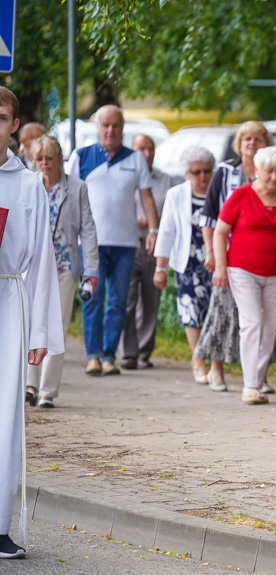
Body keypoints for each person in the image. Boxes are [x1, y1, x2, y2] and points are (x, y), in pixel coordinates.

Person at [0, 87, 63, 559]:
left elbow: (42, 261)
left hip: (8, 304)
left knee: (4, 418)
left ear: (13, 126)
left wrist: (39, 332)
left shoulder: (26, 186)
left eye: (0, 117)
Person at [67, 105, 159, 376]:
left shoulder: (135, 160)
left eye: (115, 126)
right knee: (92, 297)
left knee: (119, 301)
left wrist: (153, 229)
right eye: (105, 125)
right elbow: (70, 197)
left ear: (122, 127)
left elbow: (146, 197)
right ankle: (92, 355)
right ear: (97, 127)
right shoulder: (81, 156)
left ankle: (109, 356)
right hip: (90, 244)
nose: (110, 131)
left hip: (126, 242)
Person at [195, 121, 276, 393]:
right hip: (229, 256)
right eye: (247, 140)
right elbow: (209, 216)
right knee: (222, 313)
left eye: (258, 139)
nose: (252, 144)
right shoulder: (225, 171)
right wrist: (213, 255)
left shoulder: (274, 172)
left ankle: (257, 377)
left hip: (263, 263)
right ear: (239, 145)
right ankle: (216, 369)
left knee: (258, 321)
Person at [25, 135, 99, 409]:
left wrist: (91, 269)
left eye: (49, 158)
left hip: (64, 266)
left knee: (56, 324)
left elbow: (88, 231)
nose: (44, 164)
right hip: (33, 266)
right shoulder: (30, 185)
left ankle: (47, 390)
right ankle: (29, 384)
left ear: (59, 159)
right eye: (39, 159)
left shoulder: (77, 188)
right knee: (31, 323)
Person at [212, 146, 276, 404]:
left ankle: (256, 381)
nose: (274, 177)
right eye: (269, 172)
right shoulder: (240, 195)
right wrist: (221, 268)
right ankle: (249, 386)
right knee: (252, 323)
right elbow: (220, 232)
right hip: (242, 270)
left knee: (269, 329)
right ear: (256, 170)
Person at [153, 146, 222, 385]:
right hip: (188, 262)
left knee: (216, 312)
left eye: (206, 171)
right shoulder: (176, 194)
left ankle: (216, 363)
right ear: (187, 173)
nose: (203, 176)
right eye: (197, 172)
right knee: (191, 313)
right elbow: (167, 231)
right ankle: (198, 359)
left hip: (216, 262)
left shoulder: (220, 192)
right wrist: (160, 268)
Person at [121, 134, 182, 370]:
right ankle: (128, 353)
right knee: (126, 300)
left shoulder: (165, 180)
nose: (146, 154)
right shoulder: (126, 177)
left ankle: (144, 352)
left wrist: (156, 221)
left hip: (155, 246)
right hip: (129, 243)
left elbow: (172, 212)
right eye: (141, 149)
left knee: (150, 300)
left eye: (150, 149)